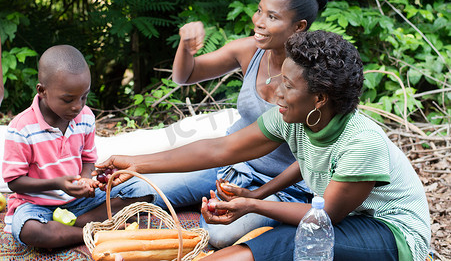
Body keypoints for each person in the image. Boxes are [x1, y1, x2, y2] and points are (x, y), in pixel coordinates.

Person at [95, 31, 430, 260]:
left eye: (287, 84)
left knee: (282, 243)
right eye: (278, 78)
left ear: (320, 98)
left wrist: (253, 205)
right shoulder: (297, 118)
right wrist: (137, 162)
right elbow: (221, 149)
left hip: (392, 233)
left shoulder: (362, 143)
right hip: (342, 217)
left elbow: (326, 215)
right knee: (275, 241)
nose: (276, 91)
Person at [142, 0, 342, 248]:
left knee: (219, 235)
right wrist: (185, 46)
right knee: (139, 190)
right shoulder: (250, 51)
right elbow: (184, 75)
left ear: (299, 27)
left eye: (272, 17)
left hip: (282, 186)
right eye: (259, 10)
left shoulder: (313, 77)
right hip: (231, 165)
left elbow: (314, 155)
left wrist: (257, 196)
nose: (258, 21)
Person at [2, 45, 153, 249]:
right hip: (38, 206)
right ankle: (93, 231)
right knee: (30, 230)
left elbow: (88, 160)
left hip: (80, 204)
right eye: (68, 99)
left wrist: (85, 180)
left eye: (84, 96)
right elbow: (14, 182)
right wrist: (58, 183)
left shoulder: (85, 118)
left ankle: (74, 225)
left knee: (143, 190)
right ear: (42, 90)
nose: (77, 106)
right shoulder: (22, 129)